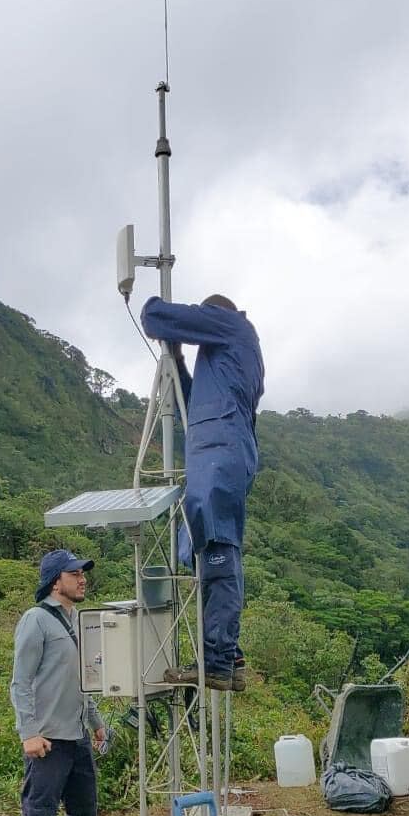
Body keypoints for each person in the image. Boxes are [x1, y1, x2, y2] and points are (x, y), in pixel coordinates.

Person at [140, 293, 265, 691]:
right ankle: (231, 652)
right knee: (191, 547)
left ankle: (218, 660)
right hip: (211, 455)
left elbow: (158, 316)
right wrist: (177, 362)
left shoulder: (233, 326)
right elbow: (194, 404)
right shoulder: (224, 359)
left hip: (220, 454)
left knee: (217, 545)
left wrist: (153, 306)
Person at [10, 549, 106, 816]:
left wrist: (96, 721)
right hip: (47, 742)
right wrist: (28, 733)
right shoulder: (36, 620)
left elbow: (81, 681)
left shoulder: (75, 621)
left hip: (77, 736)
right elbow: (21, 682)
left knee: (84, 813)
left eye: (83, 573)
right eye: (74, 573)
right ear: (55, 581)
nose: (82, 578)